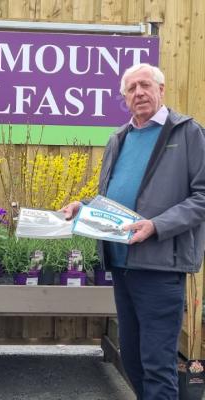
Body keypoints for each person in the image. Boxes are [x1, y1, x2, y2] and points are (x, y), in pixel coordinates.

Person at [62, 63, 205, 399]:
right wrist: (84, 208)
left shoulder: (187, 133)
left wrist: (157, 225)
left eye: (145, 85)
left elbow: (202, 196)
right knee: (133, 360)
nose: (139, 93)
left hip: (160, 266)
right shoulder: (119, 138)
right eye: (131, 88)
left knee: (157, 363)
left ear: (161, 89)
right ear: (124, 97)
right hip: (122, 265)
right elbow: (110, 198)